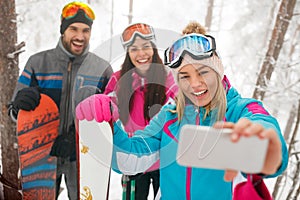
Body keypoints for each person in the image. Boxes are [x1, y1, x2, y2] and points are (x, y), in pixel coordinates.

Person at [75, 22, 288, 199]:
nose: (195, 84)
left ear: (219, 70)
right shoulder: (169, 117)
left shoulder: (241, 110)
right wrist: (110, 126)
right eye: (185, 76)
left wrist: (264, 147)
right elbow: (130, 159)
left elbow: (265, 132)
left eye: (203, 72)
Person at [8, 2, 113, 199]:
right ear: (63, 30)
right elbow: (15, 114)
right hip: (43, 158)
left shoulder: (101, 69)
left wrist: (75, 138)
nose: (80, 36)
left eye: (85, 30)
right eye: (73, 29)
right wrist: (20, 105)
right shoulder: (38, 63)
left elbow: (110, 116)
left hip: (82, 157)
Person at [103, 23, 178, 200]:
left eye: (146, 47)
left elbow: (180, 102)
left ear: (153, 48)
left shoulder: (168, 76)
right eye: (134, 49)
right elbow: (108, 107)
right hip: (134, 157)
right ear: (128, 53)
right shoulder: (118, 79)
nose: (141, 54)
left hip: (163, 158)